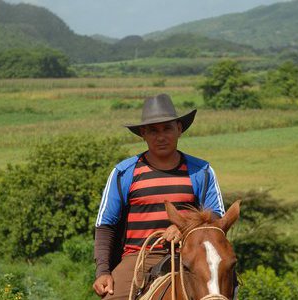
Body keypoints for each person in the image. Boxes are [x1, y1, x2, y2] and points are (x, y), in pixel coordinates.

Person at [93, 93, 226, 299]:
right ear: (143, 134)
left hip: (191, 256)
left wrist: (183, 226)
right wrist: (103, 271)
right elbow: (106, 225)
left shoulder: (202, 171)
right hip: (139, 258)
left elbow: (216, 217)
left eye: (167, 128)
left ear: (179, 129)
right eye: (153, 131)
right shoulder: (124, 172)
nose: (161, 136)